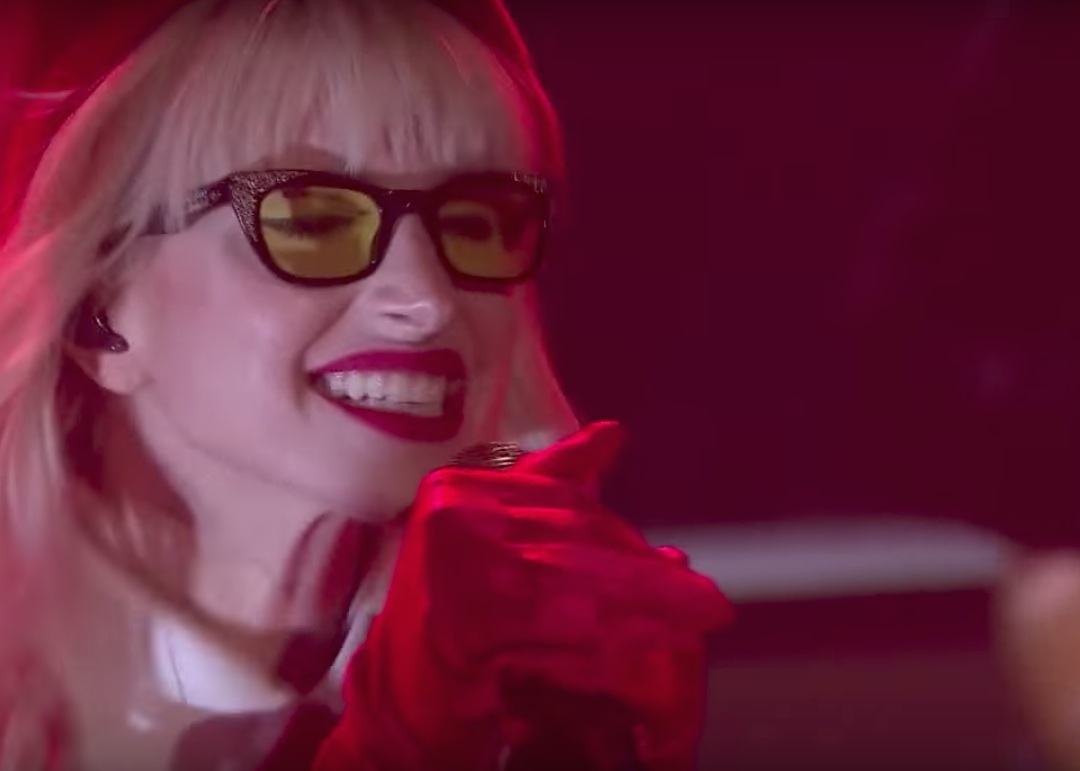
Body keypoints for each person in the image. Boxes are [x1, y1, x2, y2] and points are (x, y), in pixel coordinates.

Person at [0, 1, 733, 769]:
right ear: (101, 313)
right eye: (311, 221)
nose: (427, 298)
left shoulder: (521, 685)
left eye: (473, 220)